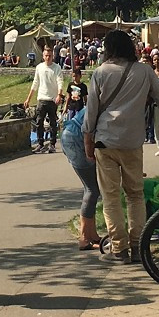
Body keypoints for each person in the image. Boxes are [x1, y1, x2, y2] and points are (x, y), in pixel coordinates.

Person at [83, 30, 159, 263]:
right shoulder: (144, 71)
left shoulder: (100, 73)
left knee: (111, 197)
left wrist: (87, 141)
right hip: (133, 141)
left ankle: (119, 249)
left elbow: (91, 111)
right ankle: (138, 246)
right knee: (135, 195)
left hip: (105, 141)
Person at [60, 107, 102, 250]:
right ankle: (84, 237)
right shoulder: (106, 102)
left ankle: (93, 235)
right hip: (75, 139)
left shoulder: (102, 98)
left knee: (92, 189)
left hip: (71, 136)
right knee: (91, 189)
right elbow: (88, 129)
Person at [23, 46, 63, 154]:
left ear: (53, 56)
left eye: (50, 56)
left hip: (52, 99)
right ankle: (40, 144)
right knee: (39, 122)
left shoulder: (57, 68)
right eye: (46, 55)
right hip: (41, 98)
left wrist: (59, 95)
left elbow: (60, 81)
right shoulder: (39, 67)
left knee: (53, 122)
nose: (48, 57)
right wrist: (28, 99)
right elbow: (35, 83)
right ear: (43, 56)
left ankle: (52, 144)